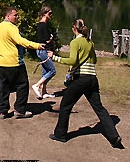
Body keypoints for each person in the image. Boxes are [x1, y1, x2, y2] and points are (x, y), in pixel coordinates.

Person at [48, 19, 122, 148]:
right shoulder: (90, 42)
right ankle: (114, 136)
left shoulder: (75, 42)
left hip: (80, 79)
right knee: (99, 108)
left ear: (74, 28)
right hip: (92, 78)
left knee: (65, 105)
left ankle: (60, 134)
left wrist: (54, 57)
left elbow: (73, 60)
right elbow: (95, 60)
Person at [0, 6, 45, 119]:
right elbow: (20, 41)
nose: (17, 17)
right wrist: (37, 45)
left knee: (3, 87)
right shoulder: (11, 27)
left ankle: (3, 111)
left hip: (0, 62)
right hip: (13, 62)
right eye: (15, 15)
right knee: (22, 85)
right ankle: (20, 110)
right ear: (8, 16)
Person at [31, 5, 57, 99]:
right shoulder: (43, 25)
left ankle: (44, 92)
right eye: (49, 13)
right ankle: (37, 85)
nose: (51, 15)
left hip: (41, 50)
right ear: (45, 13)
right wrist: (50, 39)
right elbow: (44, 39)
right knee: (52, 70)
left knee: (45, 71)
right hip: (43, 50)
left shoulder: (40, 24)